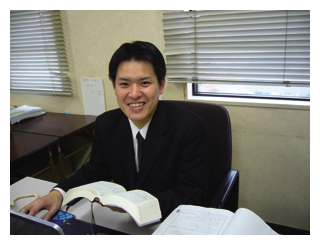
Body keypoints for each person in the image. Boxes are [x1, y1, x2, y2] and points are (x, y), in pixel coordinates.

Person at [21, 41, 210, 221]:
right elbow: (95, 171)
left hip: (168, 221)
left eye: (144, 83)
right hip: (123, 222)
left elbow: (192, 194)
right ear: (114, 87)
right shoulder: (106, 124)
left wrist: (135, 206)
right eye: (124, 84)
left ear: (161, 85)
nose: (134, 94)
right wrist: (58, 193)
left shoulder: (190, 128)